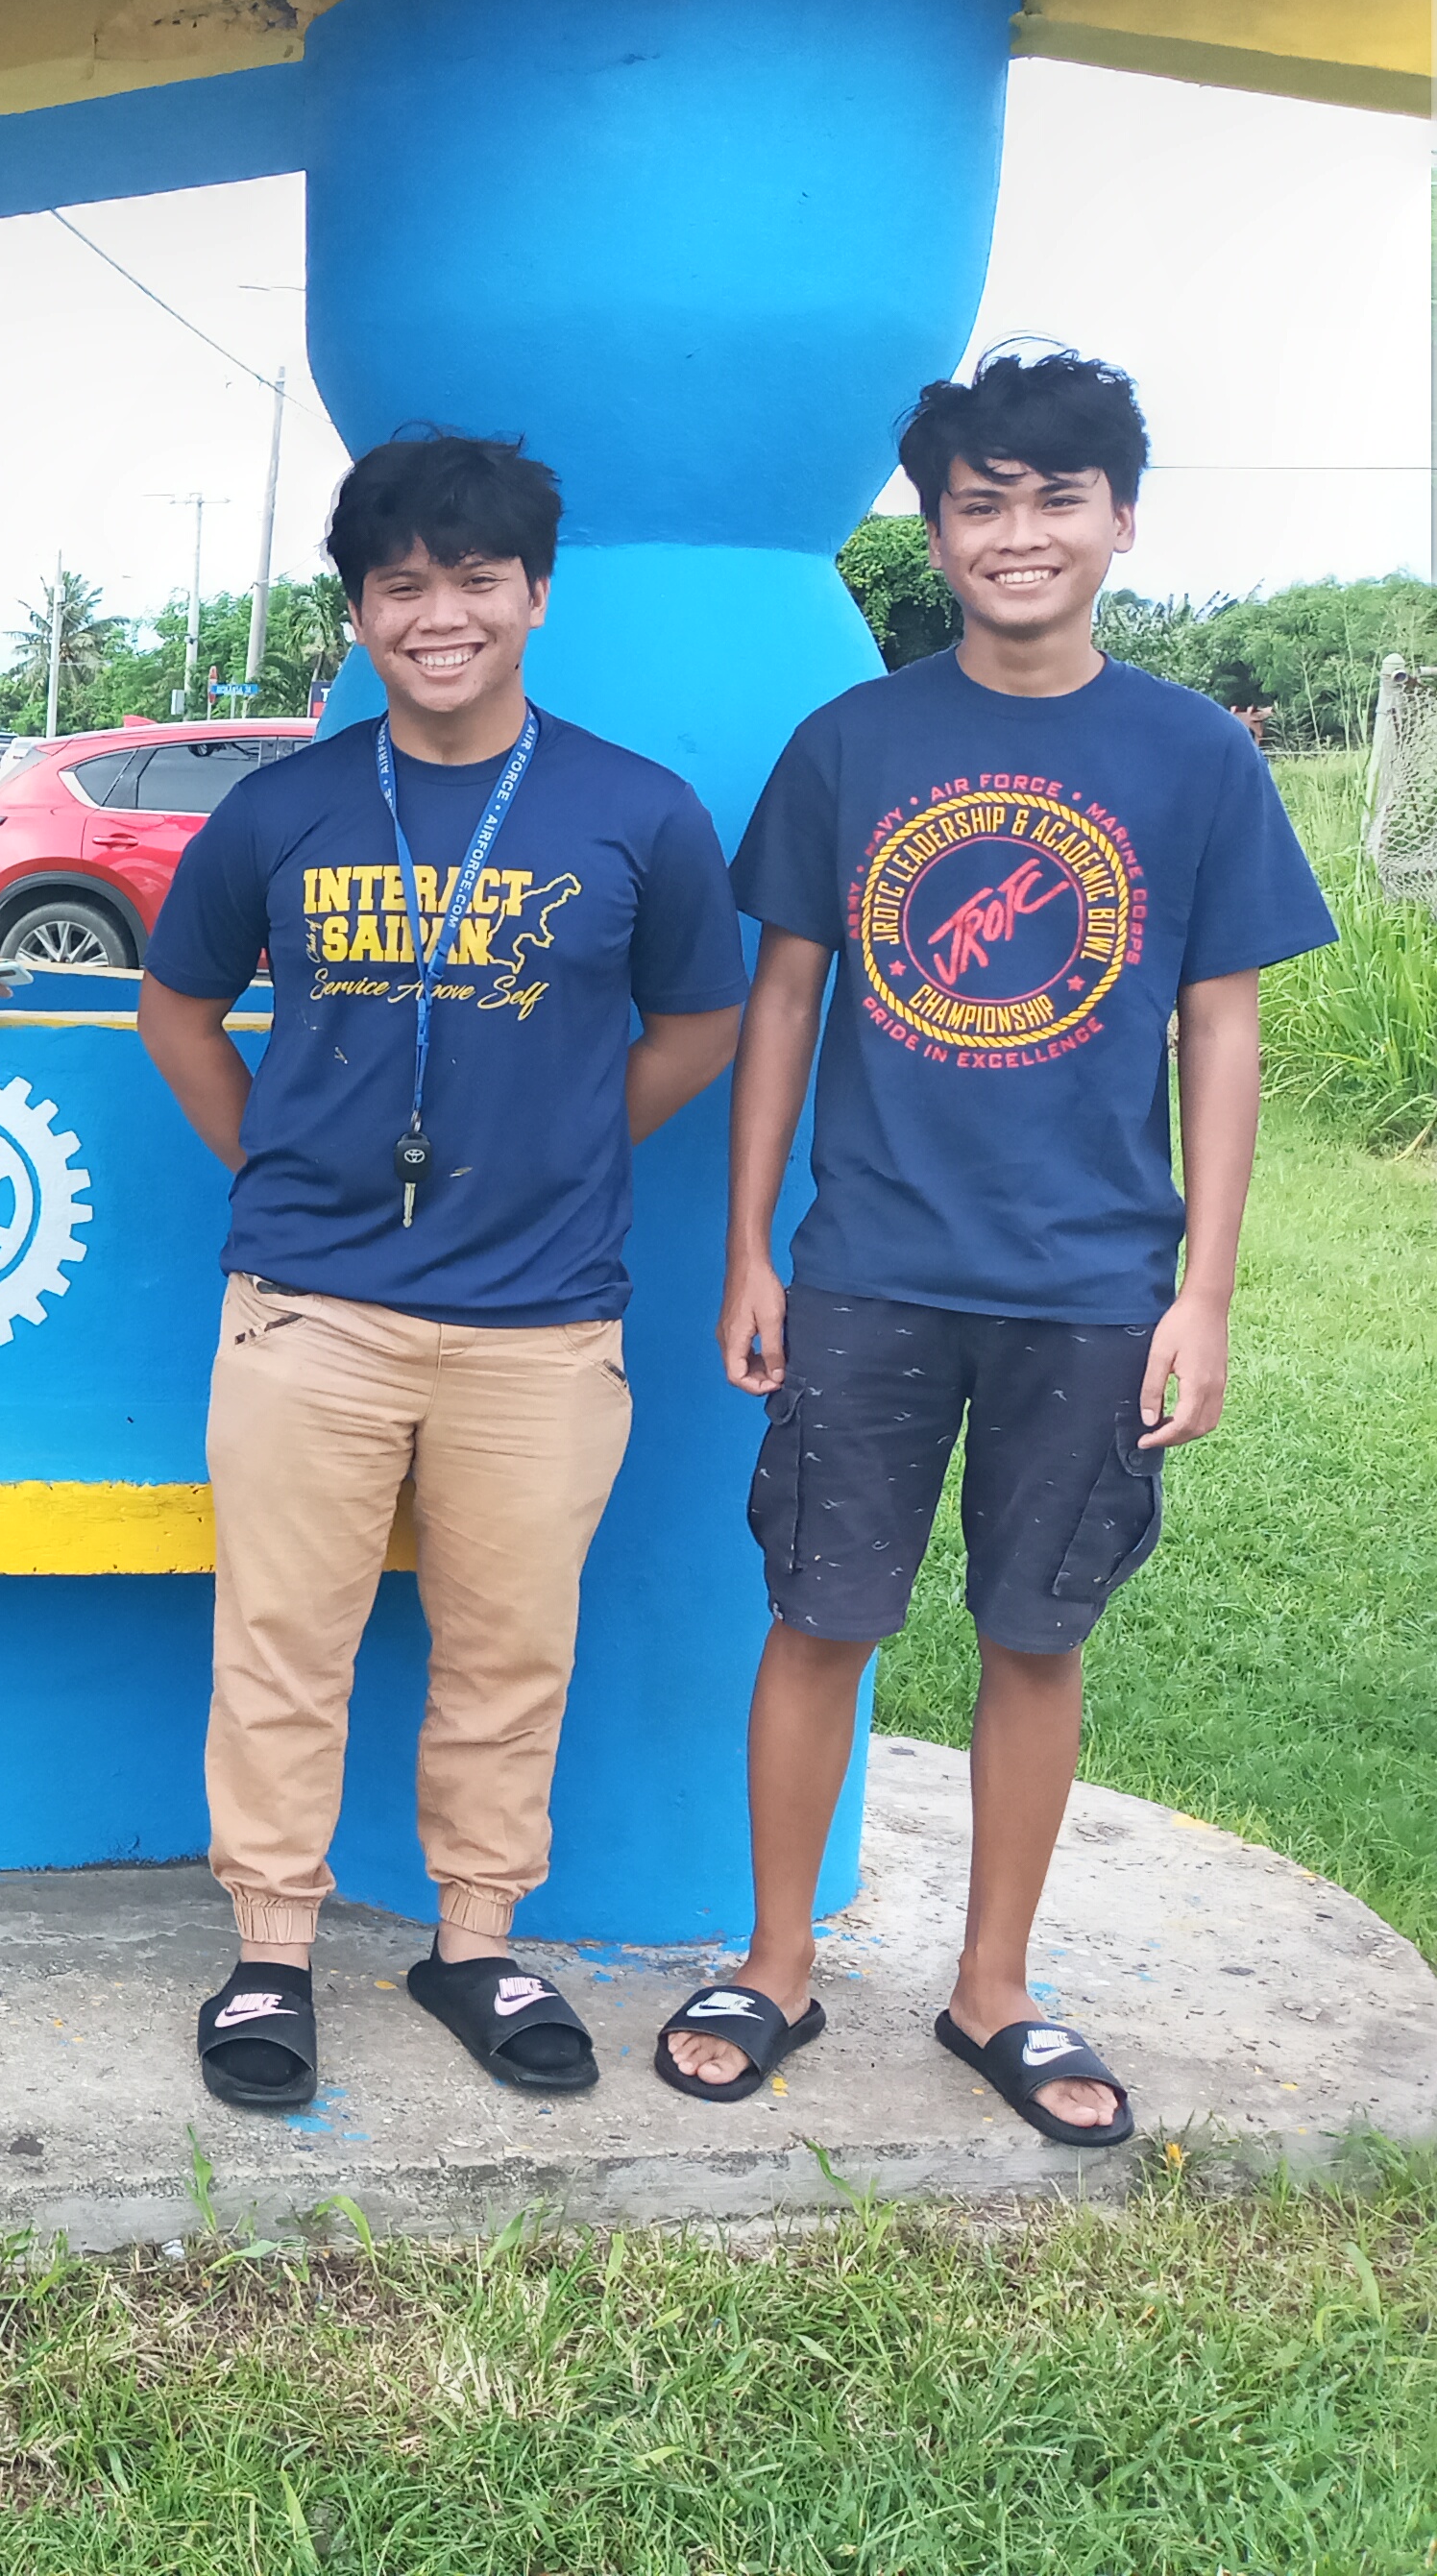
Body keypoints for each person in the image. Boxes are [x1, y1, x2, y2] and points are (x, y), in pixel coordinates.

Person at [659, 352, 1335, 2144]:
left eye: (1055, 498)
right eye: (980, 501)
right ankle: (781, 1961)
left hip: (1096, 1288)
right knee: (817, 1619)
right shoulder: (855, 745)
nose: (1017, 533)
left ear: (1120, 521)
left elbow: (1224, 1031)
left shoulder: (1192, 753)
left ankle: (995, 1988)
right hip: (871, 1269)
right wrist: (750, 1250)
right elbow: (780, 1005)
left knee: (1037, 1639)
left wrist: (1202, 1292)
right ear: (935, 529)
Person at [135, 433, 747, 2113]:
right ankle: (272, 1952)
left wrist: (580, 1136)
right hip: (310, 1307)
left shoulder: (635, 810)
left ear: (536, 594)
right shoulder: (284, 806)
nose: (441, 612)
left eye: (476, 577)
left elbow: (705, 1014)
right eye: (401, 583)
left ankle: (473, 1940)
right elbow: (175, 1009)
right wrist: (273, 1155)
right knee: (282, 1642)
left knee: (508, 1646)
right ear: (357, 615)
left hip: (541, 1322)